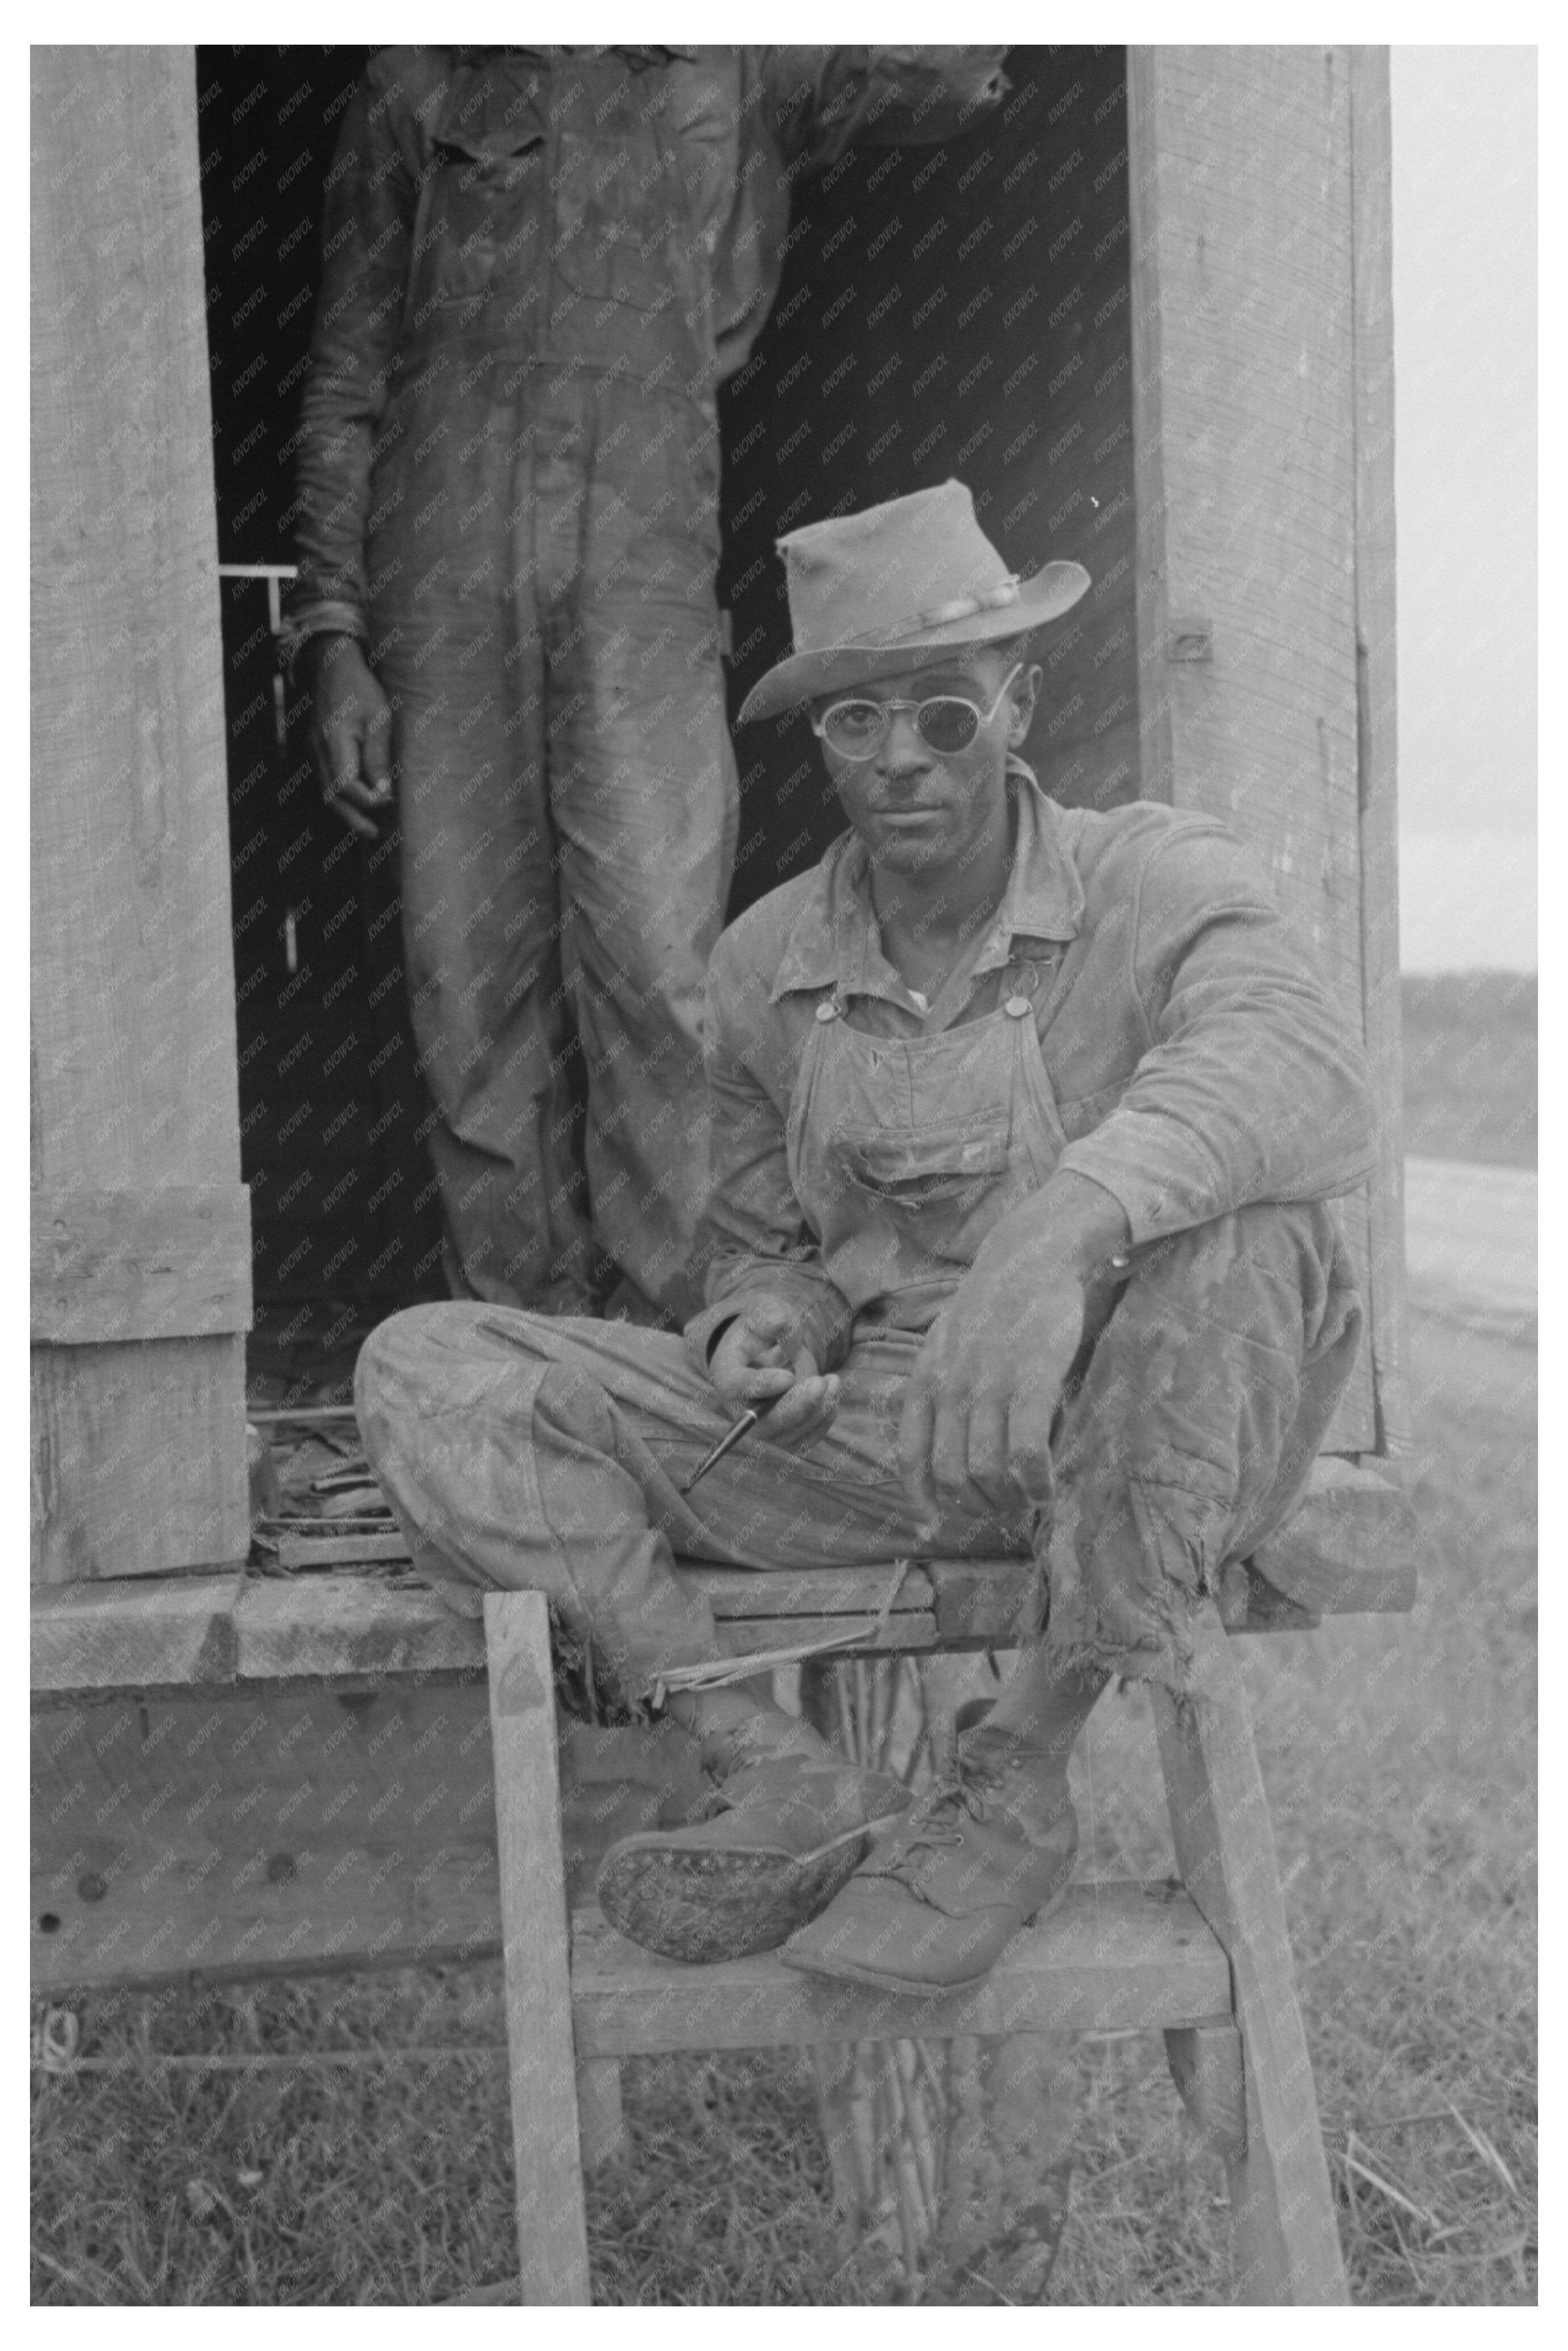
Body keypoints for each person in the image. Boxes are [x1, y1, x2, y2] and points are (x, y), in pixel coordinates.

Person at [355, 480, 1376, 1994]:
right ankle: (769, 1761)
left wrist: (1055, 1248)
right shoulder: (768, 960)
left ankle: (1014, 1771)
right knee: (433, 1366)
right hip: (893, 1446)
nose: (900, 759)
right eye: (854, 723)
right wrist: (765, 1326)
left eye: (943, 717)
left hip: (1132, 1431)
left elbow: (1310, 1067)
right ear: (819, 737)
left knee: (1257, 1236)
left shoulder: (1148, 876)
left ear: (1017, 704)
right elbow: (760, 1241)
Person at [284, 46, 1008, 1324]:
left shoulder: (745, 66)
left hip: (642, 563)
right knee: (470, 994)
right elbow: (345, 376)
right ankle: (519, 1353)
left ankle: (681, 1348)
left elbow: (949, 73)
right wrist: (333, 627)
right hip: (441, 574)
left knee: (665, 981)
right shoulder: (421, 80)